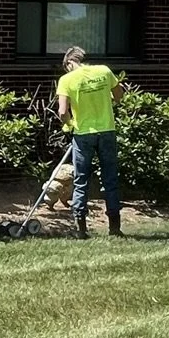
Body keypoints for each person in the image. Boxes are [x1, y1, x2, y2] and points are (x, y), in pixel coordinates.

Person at [55, 46, 124, 238]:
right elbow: (119, 96)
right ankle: (114, 227)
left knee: (81, 179)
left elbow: (62, 112)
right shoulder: (104, 71)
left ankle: (81, 229)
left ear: (69, 63)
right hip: (107, 131)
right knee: (110, 179)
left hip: (83, 134)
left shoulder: (66, 80)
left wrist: (68, 124)